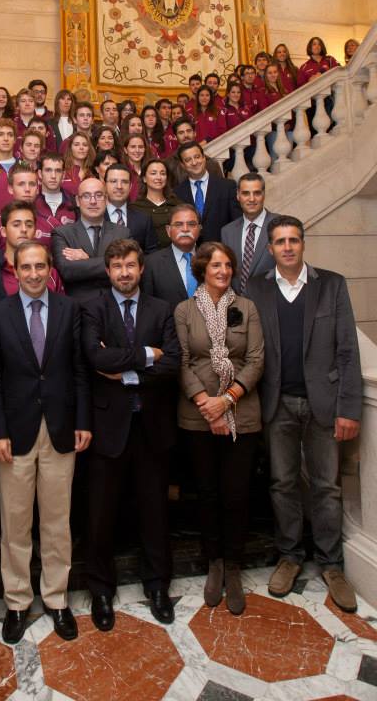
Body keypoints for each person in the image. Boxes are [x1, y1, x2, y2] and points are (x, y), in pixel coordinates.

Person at [246, 216, 362, 612]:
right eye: (280, 241)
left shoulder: (331, 284)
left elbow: (348, 350)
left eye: (294, 240)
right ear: (271, 248)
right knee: (282, 483)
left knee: (327, 486)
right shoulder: (256, 288)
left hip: (324, 405)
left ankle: (331, 564)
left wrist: (349, 407)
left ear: (303, 244)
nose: (288, 247)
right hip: (276, 404)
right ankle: (290, 556)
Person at [0, 241, 91, 643]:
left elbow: (79, 369)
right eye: (25, 267)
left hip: (62, 428)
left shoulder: (69, 310)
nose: (32, 274)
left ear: (50, 269)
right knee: (14, 522)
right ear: (15, 268)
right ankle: (16, 602)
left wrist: (83, 420)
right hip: (14, 433)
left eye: (39, 266)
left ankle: (57, 599)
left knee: (57, 520)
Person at [82, 239, 181, 630]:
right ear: (107, 271)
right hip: (108, 427)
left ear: (141, 270)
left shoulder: (162, 309)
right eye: (117, 266)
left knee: (154, 512)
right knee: (100, 515)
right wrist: (147, 355)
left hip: (152, 427)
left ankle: (158, 586)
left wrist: (125, 367)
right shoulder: (92, 308)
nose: (124, 272)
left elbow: (173, 363)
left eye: (130, 266)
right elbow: (95, 357)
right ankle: (101, 591)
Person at [174, 241, 264, 614]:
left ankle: (234, 565)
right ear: (201, 270)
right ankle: (214, 562)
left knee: (237, 493)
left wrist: (226, 401)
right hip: (197, 416)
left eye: (227, 265)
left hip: (241, 414)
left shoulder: (246, 307)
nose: (223, 271)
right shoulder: (184, 310)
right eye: (215, 265)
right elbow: (180, 361)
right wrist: (206, 405)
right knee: (207, 492)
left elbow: (256, 359)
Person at [52, 176, 129, 300]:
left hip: (115, 306)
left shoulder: (123, 233)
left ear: (106, 199)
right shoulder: (62, 233)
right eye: (86, 196)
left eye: (99, 195)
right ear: (77, 200)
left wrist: (86, 259)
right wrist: (113, 263)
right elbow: (67, 271)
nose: (93, 201)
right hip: (79, 309)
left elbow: (126, 266)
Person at [221, 174, 277, 293]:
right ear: (238, 195)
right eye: (246, 193)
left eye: (257, 193)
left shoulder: (280, 226)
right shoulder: (227, 231)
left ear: (264, 195)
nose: (251, 199)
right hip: (237, 306)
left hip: (271, 305)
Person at [175, 142, 241, 242]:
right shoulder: (177, 193)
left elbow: (237, 222)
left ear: (204, 158)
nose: (194, 162)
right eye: (188, 160)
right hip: (192, 252)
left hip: (223, 249)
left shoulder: (227, 186)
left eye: (197, 157)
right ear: (182, 165)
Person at [142, 203, 202, 307]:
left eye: (191, 224)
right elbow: (148, 306)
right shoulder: (151, 264)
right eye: (178, 224)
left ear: (199, 229)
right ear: (168, 230)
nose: (185, 229)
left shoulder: (210, 259)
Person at [104, 162, 158, 253]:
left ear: (130, 187)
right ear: (104, 185)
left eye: (124, 182)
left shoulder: (144, 219)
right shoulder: (95, 217)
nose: (119, 186)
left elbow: (152, 254)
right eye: (113, 181)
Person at [131, 158, 183, 249]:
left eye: (162, 173)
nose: (159, 177)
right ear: (144, 178)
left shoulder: (177, 205)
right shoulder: (135, 208)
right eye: (153, 173)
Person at [164, 116, 224, 186]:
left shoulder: (212, 164)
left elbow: (221, 189)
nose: (186, 135)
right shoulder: (168, 164)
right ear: (175, 137)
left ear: (195, 133)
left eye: (189, 131)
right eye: (181, 133)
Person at [36, 153, 77, 229]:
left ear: (64, 175)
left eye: (58, 171)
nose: (53, 176)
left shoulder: (73, 201)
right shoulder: (32, 201)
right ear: (40, 174)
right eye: (48, 170)